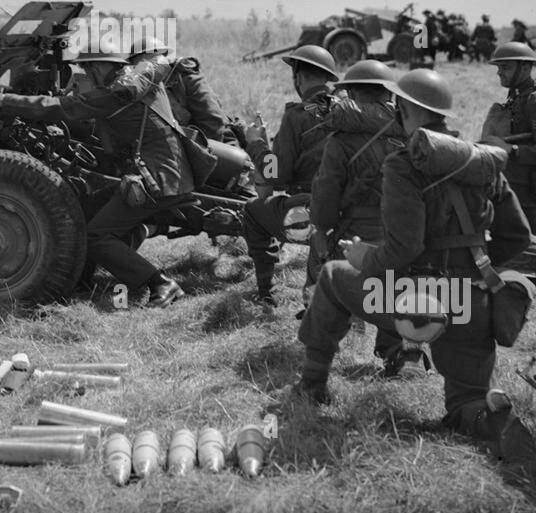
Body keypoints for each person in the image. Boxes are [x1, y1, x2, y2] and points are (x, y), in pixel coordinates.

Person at [295, 69, 536, 458]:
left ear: (405, 108)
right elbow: (520, 237)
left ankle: (311, 385)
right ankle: (492, 420)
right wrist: (477, 269)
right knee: (464, 402)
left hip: (419, 304)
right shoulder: (483, 162)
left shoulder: (404, 164)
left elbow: (402, 250)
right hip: (473, 304)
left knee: (333, 277)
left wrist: (361, 257)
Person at [0, 37, 186, 307]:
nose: (86, 75)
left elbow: (65, 108)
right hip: (164, 168)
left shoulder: (116, 93)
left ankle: (160, 283)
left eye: (88, 69)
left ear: (100, 66)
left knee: (96, 235)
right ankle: (81, 280)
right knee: (89, 211)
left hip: (157, 175)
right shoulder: (134, 85)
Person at [304, 59, 406, 372]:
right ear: (388, 96)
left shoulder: (340, 140)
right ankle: (397, 355)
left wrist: (321, 229)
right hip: (399, 229)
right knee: (392, 286)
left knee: (325, 277)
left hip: (353, 231)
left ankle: (319, 355)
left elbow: (326, 190)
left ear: (351, 94)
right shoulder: (408, 133)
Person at [241, 45, 340, 306]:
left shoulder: (298, 116)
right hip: (349, 210)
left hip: (312, 210)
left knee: (252, 211)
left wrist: (256, 144)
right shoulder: (349, 110)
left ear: (298, 76)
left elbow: (276, 175)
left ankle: (266, 292)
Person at [482, 42, 536, 234]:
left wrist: (512, 150)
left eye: (506, 67)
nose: (499, 72)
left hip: (525, 191)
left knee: (524, 250)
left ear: (525, 67)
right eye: (498, 67)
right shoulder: (516, 97)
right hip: (506, 185)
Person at [127, 36, 234, 142]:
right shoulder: (139, 88)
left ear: (162, 57)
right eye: (138, 62)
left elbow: (212, 121)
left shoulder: (185, 78)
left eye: (149, 58)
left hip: (212, 142)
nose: (144, 66)